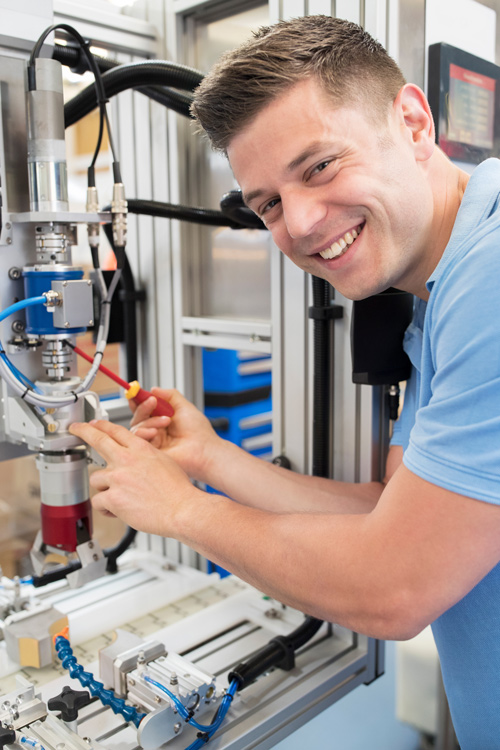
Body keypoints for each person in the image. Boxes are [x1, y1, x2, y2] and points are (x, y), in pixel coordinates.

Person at [70, 16, 500, 748]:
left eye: (320, 166)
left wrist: (182, 512)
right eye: (267, 202)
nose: (298, 224)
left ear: (413, 120)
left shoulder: (490, 282)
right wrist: (208, 462)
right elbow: (389, 514)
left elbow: (392, 587)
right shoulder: (440, 297)